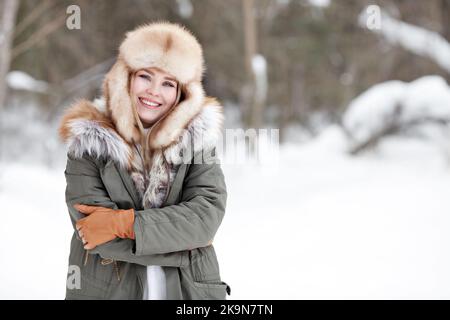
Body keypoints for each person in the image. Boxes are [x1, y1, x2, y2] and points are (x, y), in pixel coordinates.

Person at [58, 21, 230, 300]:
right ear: (125, 76)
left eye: (168, 83)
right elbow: (93, 233)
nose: (154, 91)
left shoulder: (198, 141)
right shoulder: (88, 138)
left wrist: (121, 223)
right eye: (145, 76)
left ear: (182, 92)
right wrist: (185, 245)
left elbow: (205, 218)